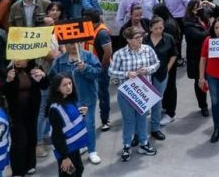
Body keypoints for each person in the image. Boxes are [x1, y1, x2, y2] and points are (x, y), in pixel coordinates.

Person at [109, 25, 159, 161]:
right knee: (128, 120)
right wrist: (126, 74)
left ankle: (144, 143)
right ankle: (127, 145)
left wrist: (148, 69)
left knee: (142, 118)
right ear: (128, 40)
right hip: (127, 91)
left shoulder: (147, 50)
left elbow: (157, 63)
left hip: (143, 91)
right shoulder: (120, 54)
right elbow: (111, 72)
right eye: (137, 38)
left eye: (141, 37)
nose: (140, 40)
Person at [48, 40, 102, 165]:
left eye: (77, 43)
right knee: (73, 125)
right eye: (71, 44)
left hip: (87, 98)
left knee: (89, 124)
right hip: (69, 102)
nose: (74, 46)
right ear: (65, 45)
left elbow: (97, 73)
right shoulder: (59, 60)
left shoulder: (88, 56)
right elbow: (52, 78)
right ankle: (79, 146)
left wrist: (85, 68)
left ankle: (92, 151)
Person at [2, 58, 47, 176]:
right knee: (19, 141)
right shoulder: (9, 71)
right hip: (16, 112)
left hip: (32, 110)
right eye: (15, 57)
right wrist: (8, 80)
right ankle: (17, 170)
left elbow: (45, 86)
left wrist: (43, 75)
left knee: (32, 137)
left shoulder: (36, 68)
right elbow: (3, 91)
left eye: (21, 58)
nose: (18, 60)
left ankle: (30, 164)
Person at [46, 73, 88, 177]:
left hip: (74, 148)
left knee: (79, 169)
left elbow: (71, 123)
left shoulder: (70, 100)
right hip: (66, 151)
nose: (69, 87)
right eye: (64, 85)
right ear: (57, 88)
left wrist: (81, 114)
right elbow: (57, 135)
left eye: (70, 83)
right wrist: (64, 157)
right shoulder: (55, 109)